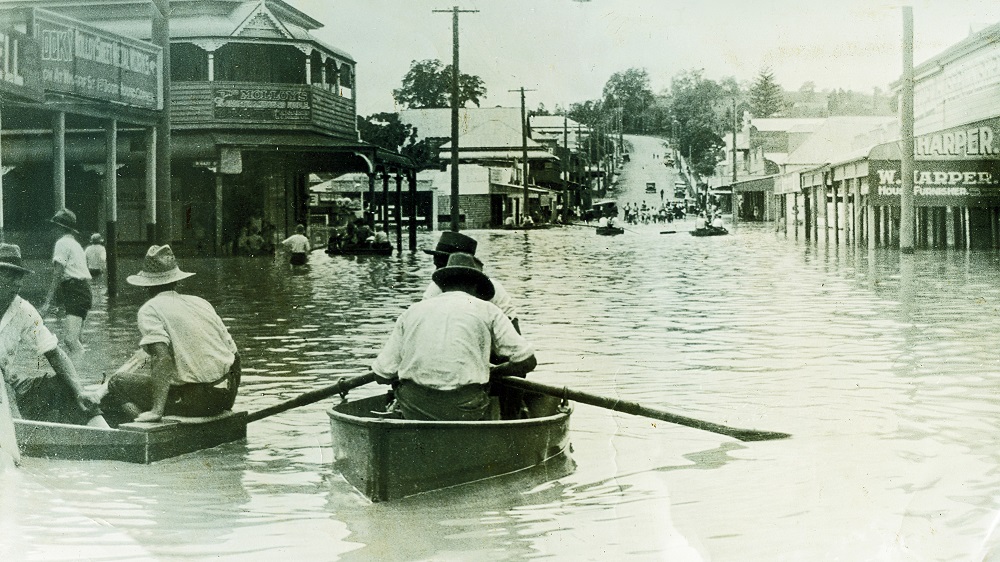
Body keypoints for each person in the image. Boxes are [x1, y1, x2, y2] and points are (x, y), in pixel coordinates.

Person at [372, 252, 536, 421]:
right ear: (475, 287)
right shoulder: (488, 310)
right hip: (466, 408)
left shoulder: (411, 311)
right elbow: (528, 362)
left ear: (442, 285)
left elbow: (380, 375)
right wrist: (493, 372)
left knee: (399, 386)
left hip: (415, 407)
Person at [102, 245, 240, 423]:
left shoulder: (150, 309)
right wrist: (228, 401)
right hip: (224, 395)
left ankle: (151, 427)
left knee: (117, 382)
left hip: (197, 399)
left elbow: (163, 359)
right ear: (176, 281)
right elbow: (235, 355)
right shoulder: (201, 302)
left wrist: (156, 409)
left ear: (147, 286)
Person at [0, 243, 107, 428]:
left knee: (65, 385)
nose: (19, 283)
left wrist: (79, 391)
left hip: (7, 389)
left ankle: (106, 435)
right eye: (11, 275)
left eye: (20, 276)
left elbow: (54, 353)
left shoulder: (22, 309)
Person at [422, 231, 520, 333]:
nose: (436, 272)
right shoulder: (434, 288)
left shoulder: (494, 289)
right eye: (436, 266)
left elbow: (513, 329)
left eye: (440, 266)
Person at [40, 209, 92, 368]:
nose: (52, 230)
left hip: (75, 291)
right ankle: (83, 371)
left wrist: (47, 303)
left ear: (60, 228)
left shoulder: (61, 243)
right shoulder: (75, 244)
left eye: (54, 226)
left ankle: (78, 376)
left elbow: (58, 274)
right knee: (77, 340)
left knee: (70, 340)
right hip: (82, 290)